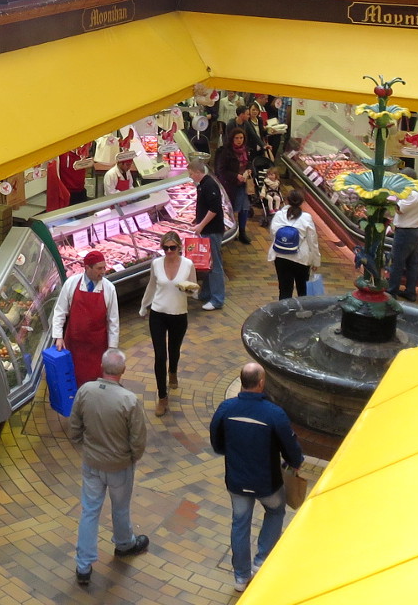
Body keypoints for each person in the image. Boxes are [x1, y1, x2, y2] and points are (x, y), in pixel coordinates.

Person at [210, 362, 304, 593]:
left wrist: (228, 452)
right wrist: (295, 463)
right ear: (261, 382)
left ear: (242, 381)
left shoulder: (226, 409)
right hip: (267, 483)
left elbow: (217, 442)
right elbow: (291, 450)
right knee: (275, 511)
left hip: (237, 481)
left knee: (239, 523)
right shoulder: (274, 414)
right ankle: (261, 562)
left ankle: (240, 577)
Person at [67, 348, 150, 586]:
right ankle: (124, 544)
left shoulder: (85, 391)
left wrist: (85, 446)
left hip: (92, 463)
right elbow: (138, 440)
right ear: (123, 370)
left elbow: (74, 427)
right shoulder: (129, 400)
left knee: (90, 510)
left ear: (102, 367)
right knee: (120, 508)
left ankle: (83, 566)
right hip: (119, 466)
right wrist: (131, 458)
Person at [138, 230, 198, 416]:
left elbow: (195, 290)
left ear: (179, 247)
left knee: (174, 349)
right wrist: (144, 305)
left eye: (172, 248)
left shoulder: (188, 264)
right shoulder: (156, 263)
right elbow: (152, 285)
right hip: (158, 313)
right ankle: (162, 397)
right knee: (159, 355)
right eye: (165, 248)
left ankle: (173, 371)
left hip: (179, 314)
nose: (169, 251)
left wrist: (189, 291)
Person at [51, 250, 120, 387]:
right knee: (72, 380)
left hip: (97, 348)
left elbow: (113, 322)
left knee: (96, 384)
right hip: (73, 345)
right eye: (99, 268)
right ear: (87, 268)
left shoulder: (109, 289)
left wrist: (112, 349)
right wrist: (58, 336)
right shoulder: (71, 283)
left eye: (104, 267)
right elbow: (60, 311)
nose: (103, 271)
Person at [188, 155, 228, 311]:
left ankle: (217, 299)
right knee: (208, 264)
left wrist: (201, 225)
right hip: (206, 229)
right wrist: (197, 220)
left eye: (191, 174)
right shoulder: (202, 185)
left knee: (215, 266)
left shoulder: (209, 185)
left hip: (212, 231)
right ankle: (205, 293)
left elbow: (214, 209)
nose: (190, 177)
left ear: (198, 172)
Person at [267, 189, 320, 299]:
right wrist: (316, 261)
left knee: (284, 290)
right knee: (303, 290)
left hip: (281, 257)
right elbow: (312, 241)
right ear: (302, 202)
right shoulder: (307, 218)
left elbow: (274, 235)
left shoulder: (278, 215)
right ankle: (303, 313)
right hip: (301, 259)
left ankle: (285, 314)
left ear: (286, 200)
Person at [386, 174, 418, 302]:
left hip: (406, 233)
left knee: (397, 263)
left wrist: (387, 201)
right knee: (412, 263)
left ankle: (391, 292)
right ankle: (410, 292)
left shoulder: (411, 194)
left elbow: (399, 210)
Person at [213, 128, 255, 246]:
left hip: (243, 184)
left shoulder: (246, 150)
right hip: (230, 185)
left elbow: (250, 164)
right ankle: (227, 229)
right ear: (232, 138)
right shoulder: (225, 152)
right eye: (236, 138)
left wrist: (249, 171)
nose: (239, 140)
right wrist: (236, 176)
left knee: (244, 207)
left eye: (241, 138)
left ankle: (242, 232)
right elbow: (221, 170)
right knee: (228, 207)